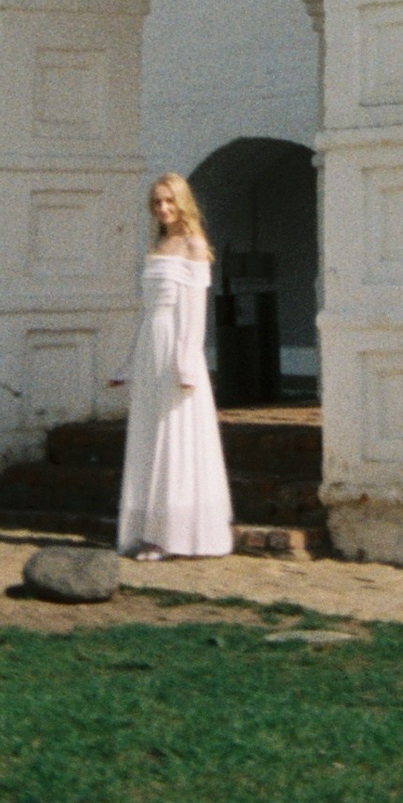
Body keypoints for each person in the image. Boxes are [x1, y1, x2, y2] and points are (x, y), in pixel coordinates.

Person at [108, 174, 233, 559]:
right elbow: (147, 314)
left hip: (177, 351)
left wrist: (186, 364)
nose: (163, 209)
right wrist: (128, 365)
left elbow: (195, 313)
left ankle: (173, 534)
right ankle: (147, 531)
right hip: (151, 345)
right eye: (157, 203)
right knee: (148, 436)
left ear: (182, 203)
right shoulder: (158, 245)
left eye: (169, 202)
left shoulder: (194, 246)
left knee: (173, 437)